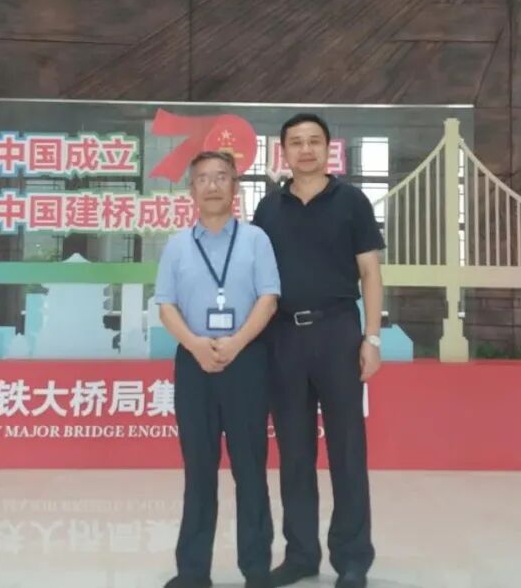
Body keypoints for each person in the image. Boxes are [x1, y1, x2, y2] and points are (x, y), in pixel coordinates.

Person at [253, 114, 384, 588]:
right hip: (283, 336)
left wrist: (371, 338)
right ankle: (301, 555)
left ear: (329, 148)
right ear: (284, 151)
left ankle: (352, 558)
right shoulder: (268, 208)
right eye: (296, 142)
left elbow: (370, 273)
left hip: (337, 332)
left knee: (347, 448)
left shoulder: (352, 201)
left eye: (314, 141)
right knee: (294, 451)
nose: (305, 149)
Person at [155, 150, 282, 588]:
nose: (212, 185)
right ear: (191, 190)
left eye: (221, 177)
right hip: (194, 363)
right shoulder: (176, 245)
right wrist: (196, 345)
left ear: (235, 187)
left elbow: (268, 298)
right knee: (199, 470)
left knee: (251, 469)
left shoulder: (256, 240)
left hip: (247, 361)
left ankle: (257, 569)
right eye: (203, 179)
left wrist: (236, 342)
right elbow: (166, 306)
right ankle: (192, 571)